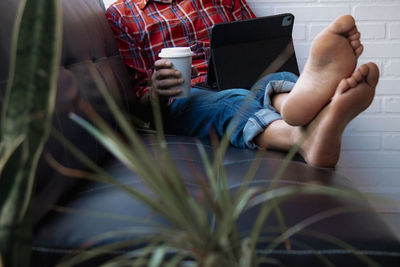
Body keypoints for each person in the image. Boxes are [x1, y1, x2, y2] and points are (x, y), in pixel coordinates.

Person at [105, 0, 379, 168]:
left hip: (246, 81)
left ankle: (294, 102)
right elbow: (138, 99)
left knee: (275, 77)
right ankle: (302, 137)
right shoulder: (122, 15)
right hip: (187, 99)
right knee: (231, 103)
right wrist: (156, 90)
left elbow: (258, 43)